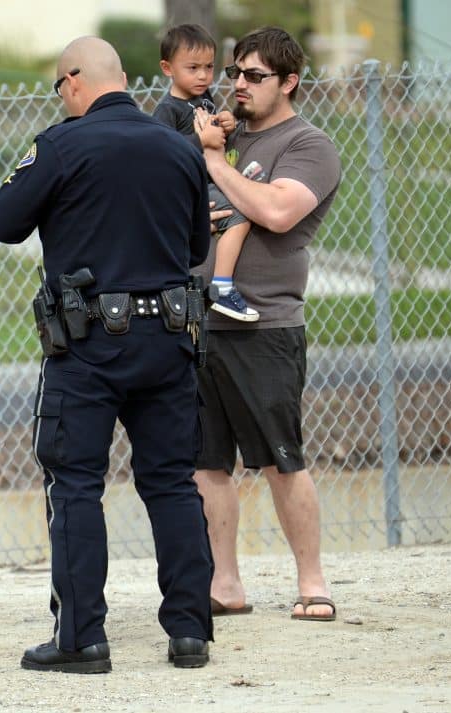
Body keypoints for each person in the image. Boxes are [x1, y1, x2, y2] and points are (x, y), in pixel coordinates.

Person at [0, 36, 214, 672]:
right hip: (169, 340)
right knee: (171, 483)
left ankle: (81, 638)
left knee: (76, 484)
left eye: (60, 87)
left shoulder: (59, 145)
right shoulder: (179, 147)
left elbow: (1, 221)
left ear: (74, 82)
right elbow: (197, 242)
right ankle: (190, 632)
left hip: (86, 347)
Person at [191, 27, 342, 622]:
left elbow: (277, 210)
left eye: (254, 76)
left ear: (289, 81)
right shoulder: (222, 135)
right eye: (236, 74)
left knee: (282, 459)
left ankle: (313, 582)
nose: (239, 85)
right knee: (206, 464)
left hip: (265, 325)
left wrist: (213, 165)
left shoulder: (309, 145)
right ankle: (224, 584)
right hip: (202, 321)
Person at [153, 23, 259, 322]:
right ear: (167, 68)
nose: (203, 75)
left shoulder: (204, 98)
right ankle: (223, 287)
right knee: (240, 216)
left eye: (209, 67)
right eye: (193, 68)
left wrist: (224, 121)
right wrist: (201, 140)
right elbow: (160, 154)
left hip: (207, 181)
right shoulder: (167, 110)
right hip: (188, 188)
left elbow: (213, 129)